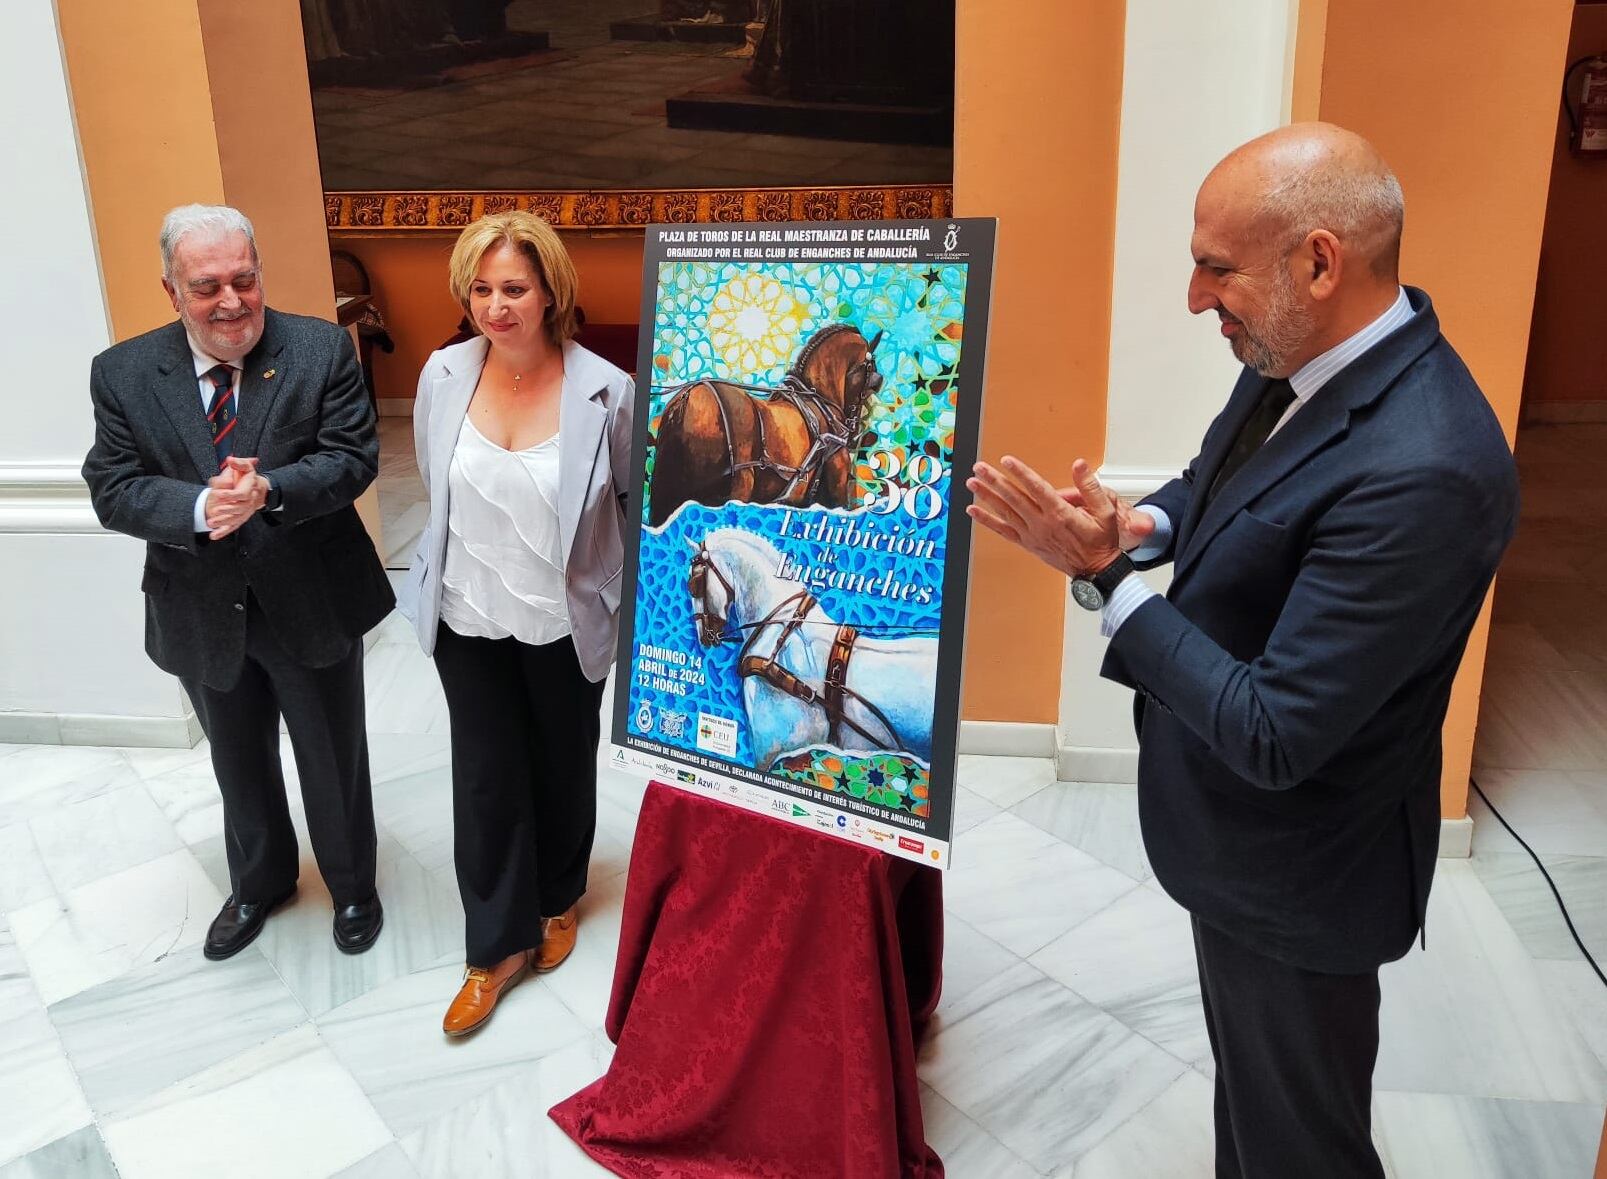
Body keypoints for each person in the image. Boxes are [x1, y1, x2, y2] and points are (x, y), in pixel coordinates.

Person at [967, 123, 1519, 1178]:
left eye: (1213, 268)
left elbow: (1272, 733)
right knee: (1258, 1113)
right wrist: (1147, 527)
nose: (1190, 297)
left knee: (1299, 1144)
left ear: (1316, 263)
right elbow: (1228, 479)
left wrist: (1101, 581)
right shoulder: (1301, 353)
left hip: (1301, 875)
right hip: (1237, 849)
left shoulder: (1426, 468)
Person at [83, 204, 393, 960]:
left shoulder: (320, 349)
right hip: (198, 603)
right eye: (207, 285)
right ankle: (260, 882)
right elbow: (112, 485)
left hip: (310, 594)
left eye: (244, 280)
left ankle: (353, 886)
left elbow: (352, 457)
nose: (231, 301)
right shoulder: (122, 371)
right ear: (172, 291)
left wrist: (270, 489)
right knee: (236, 759)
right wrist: (198, 505)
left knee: (332, 755)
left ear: (261, 273)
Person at [398, 211, 633, 1036]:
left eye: (514, 288)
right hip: (467, 608)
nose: (495, 305)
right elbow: (436, 482)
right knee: (486, 772)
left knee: (562, 758)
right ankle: (494, 946)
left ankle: (558, 894)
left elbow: (625, 504)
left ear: (549, 293)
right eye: (482, 288)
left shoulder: (605, 388)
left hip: (564, 614)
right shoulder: (440, 375)